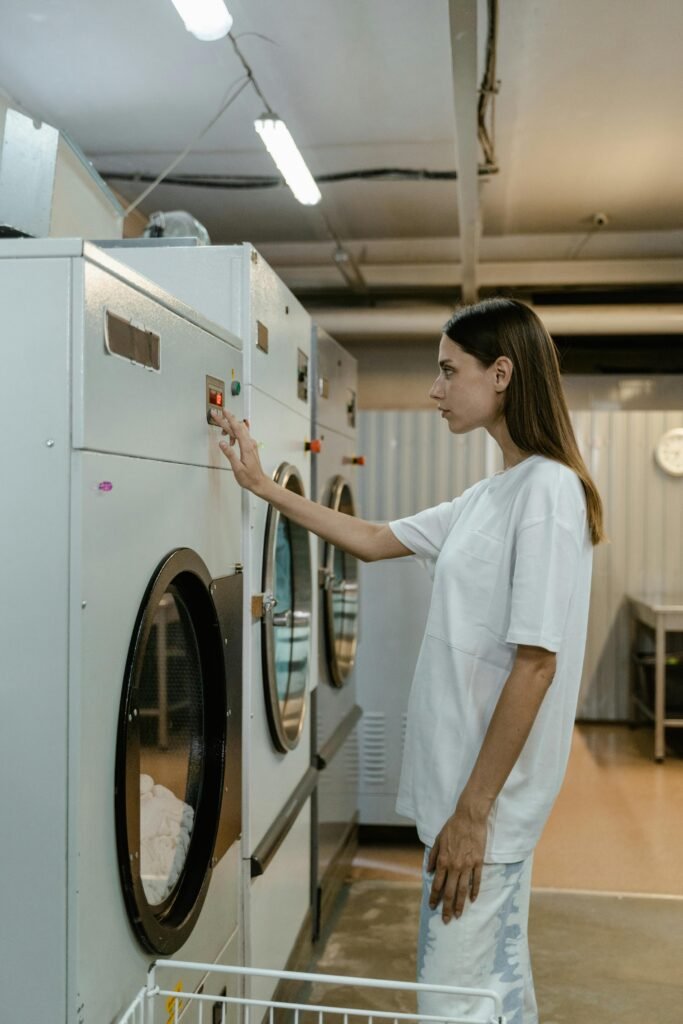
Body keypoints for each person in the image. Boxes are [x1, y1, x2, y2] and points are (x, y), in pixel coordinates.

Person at [212, 297, 604, 1024]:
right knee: (490, 984)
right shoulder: (491, 495)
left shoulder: (546, 492)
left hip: (484, 803)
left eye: (446, 372)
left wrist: (472, 814)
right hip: (460, 790)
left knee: (455, 1000)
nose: (433, 390)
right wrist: (264, 488)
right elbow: (368, 536)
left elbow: (536, 665)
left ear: (500, 374)